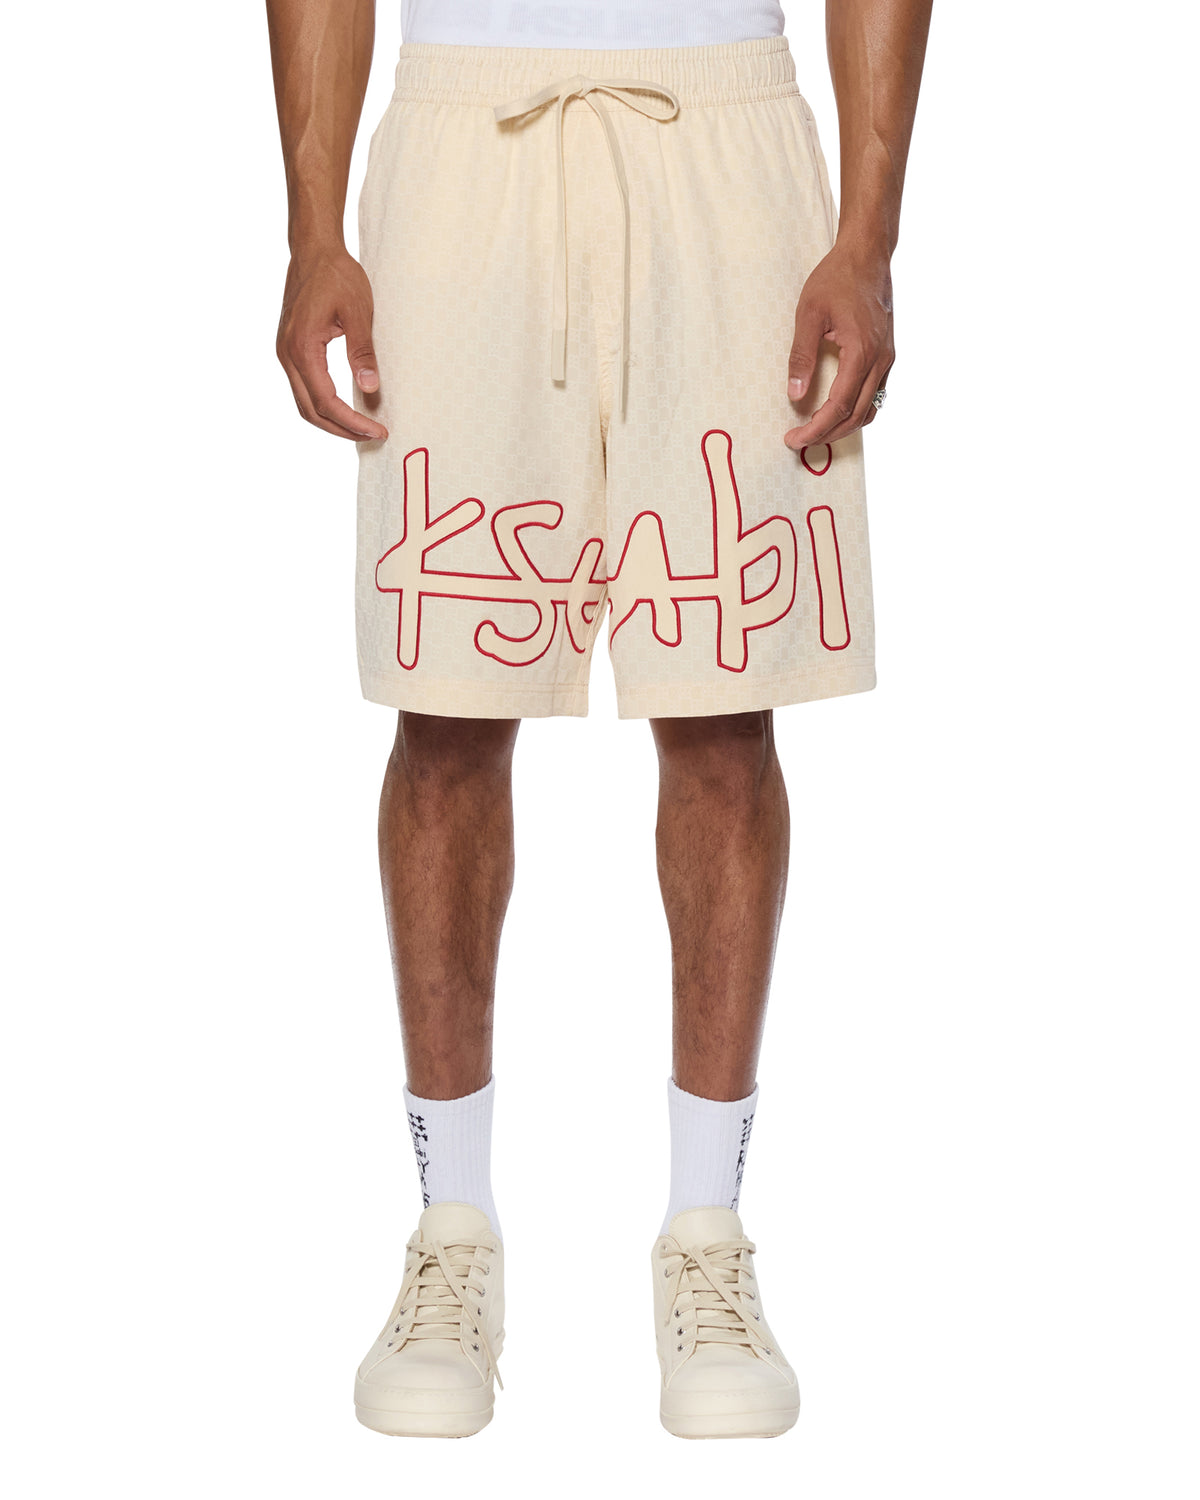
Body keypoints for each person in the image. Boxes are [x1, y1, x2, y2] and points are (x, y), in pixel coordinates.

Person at [266, 0, 931, 1441]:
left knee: (722, 704)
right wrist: (314, 228)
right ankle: (453, 1232)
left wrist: (868, 237)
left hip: (725, 135)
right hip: (464, 142)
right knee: (449, 699)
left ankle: (707, 1235)